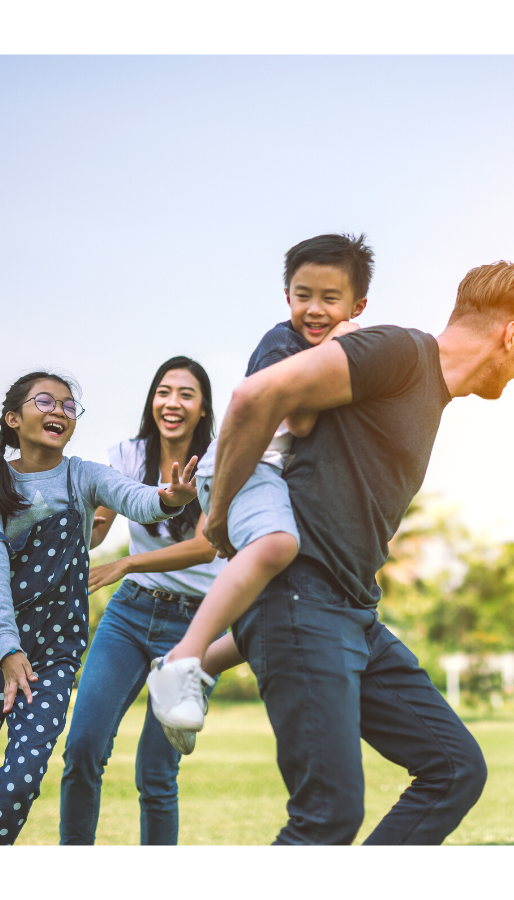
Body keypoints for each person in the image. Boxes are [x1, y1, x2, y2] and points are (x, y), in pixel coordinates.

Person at [199, 259, 514, 844]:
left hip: (354, 614)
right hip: (304, 596)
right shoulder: (400, 353)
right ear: (510, 333)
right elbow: (254, 394)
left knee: (454, 768)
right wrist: (219, 516)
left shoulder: (429, 393)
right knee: (327, 819)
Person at [0, 372, 198, 845]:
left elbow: (135, 498)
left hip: (53, 652)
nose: (59, 410)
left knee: (20, 783)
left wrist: (167, 500)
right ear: (13, 418)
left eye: (69, 405)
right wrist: (5, 646)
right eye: (45, 401)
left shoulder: (83, 475)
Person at [146, 235, 370, 751]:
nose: (313, 309)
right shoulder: (281, 344)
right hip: (242, 468)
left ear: (357, 305)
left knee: (282, 605)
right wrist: (341, 343)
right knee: (276, 545)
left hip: (269, 474)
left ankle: (187, 666)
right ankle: (183, 658)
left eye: (330, 299)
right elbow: (301, 418)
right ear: (286, 294)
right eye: (301, 294)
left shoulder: (329, 345)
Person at [58, 356, 235, 845]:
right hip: (130, 615)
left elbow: (206, 544)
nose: (172, 402)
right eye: (163, 391)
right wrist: (60, 521)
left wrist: (126, 564)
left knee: (156, 772)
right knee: (82, 748)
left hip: (197, 627)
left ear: (203, 409)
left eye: (186, 394)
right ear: (152, 400)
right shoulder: (128, 456)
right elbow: (94, 533)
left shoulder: (221, 459)